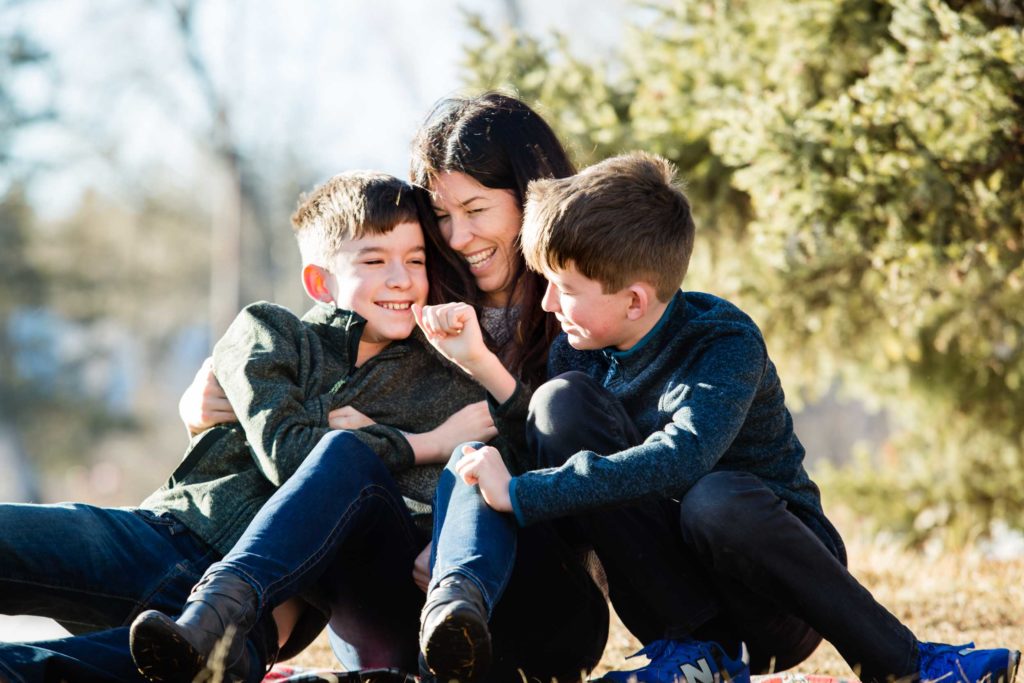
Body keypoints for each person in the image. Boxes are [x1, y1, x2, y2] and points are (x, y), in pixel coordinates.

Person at [415, 151, 1022, 683]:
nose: (547, 302)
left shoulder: (721, 342)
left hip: (774, 604)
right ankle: (690, 659)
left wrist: (520, 492)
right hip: (673, 605)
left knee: (715, 497)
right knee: (557, 403)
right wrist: (480, 378)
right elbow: (555, 455)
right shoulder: (577, 349)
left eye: (564, 287)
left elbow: (681, 458)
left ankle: (908, 664)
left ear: (634, 300)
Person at [151, 92, 610, 683]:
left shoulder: (585, 308)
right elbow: (321, 360)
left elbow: (571, 455)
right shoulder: (421, 291)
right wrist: (211, 404)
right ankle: (220, 615)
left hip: (531, 583)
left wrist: (457, 534)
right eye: (441, 217)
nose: (459, 237)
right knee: (345, 459)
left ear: (530, 196)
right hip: (398, 593)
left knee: (477, 460)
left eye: (475, 210)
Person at [0, 171, 496, 683]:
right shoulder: (269, 331)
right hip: (169, 538)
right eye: (375, 260)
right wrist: (416, 444)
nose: (401, 278)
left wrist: (363, 446)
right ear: (320, 282)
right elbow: (288, 452)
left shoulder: (439, 382)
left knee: (42, 670)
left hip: (256, 616)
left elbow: (424, 503)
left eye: (415, 260)